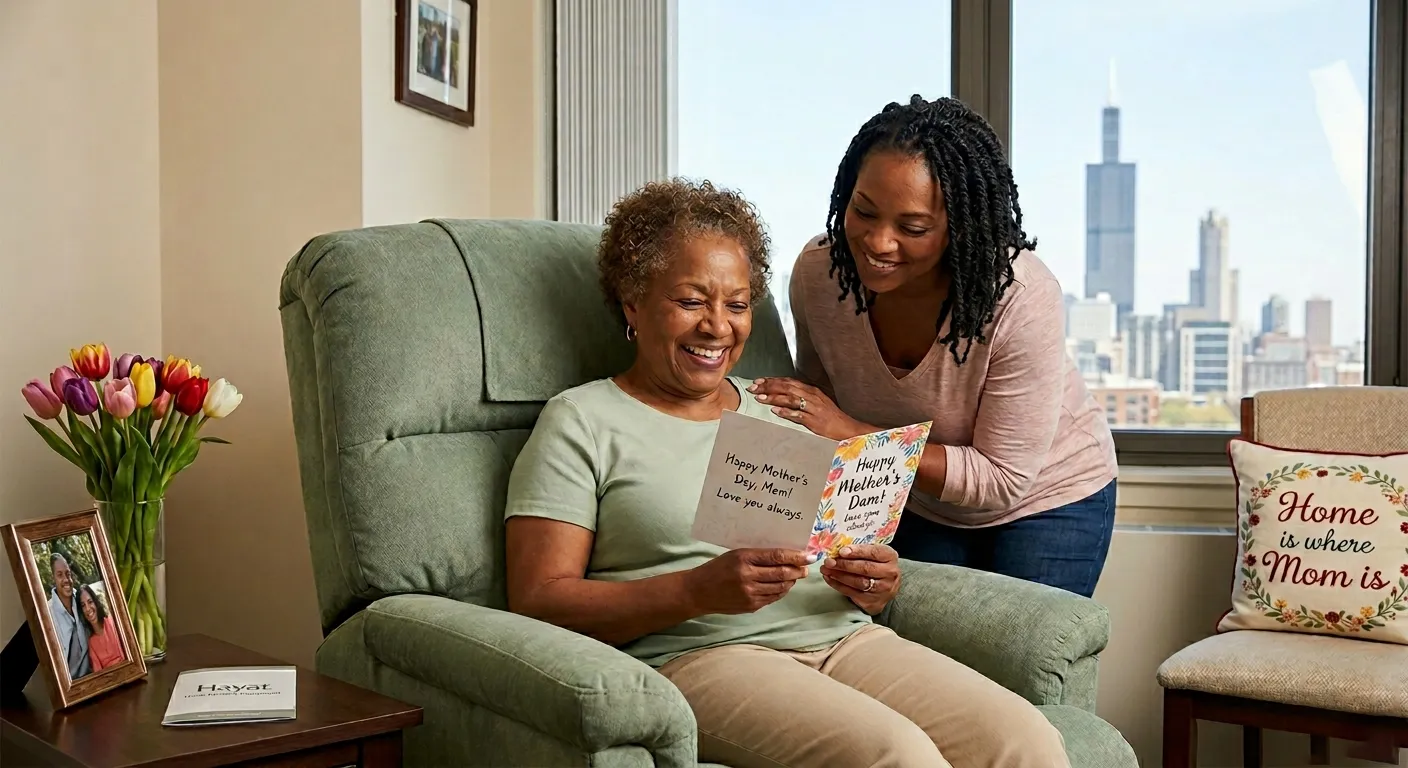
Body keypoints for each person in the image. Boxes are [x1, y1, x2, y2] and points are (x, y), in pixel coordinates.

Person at [505, 178, 1069, 768]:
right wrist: (696, 591)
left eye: (738, 303)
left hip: (844, 637)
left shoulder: (780, 407)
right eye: (691, 301)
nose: (717, 326)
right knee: (898, 757)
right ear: (633, 303)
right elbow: (538, 603)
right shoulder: (583, 421)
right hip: (704, 654)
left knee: (1026, 741)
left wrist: (873, 578)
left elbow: (840, 547)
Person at [749, 95, 1118, 599]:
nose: (878, 242)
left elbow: (1001, 477)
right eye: (864, 210)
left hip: (1045, 499)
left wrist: (854, 433)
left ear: (958, 228)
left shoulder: (1020, 295)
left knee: (1016, 664)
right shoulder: (820, 275)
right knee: (917, 656)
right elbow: (819, 408)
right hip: (911, 496)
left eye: (913, 228)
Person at [46, 552, 92, 680]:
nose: (66, 579)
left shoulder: (81, 600)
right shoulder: (47, 613)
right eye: (60, 575)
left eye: (68, 574)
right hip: (68, 683)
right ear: (52, 578)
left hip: (91, 675)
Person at [80, 584, 124, 673]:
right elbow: (99, 674)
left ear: (95, 602)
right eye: (83, 605)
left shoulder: (113, 623)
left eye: (90, 602)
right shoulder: (92, 643)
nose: (88, 608)